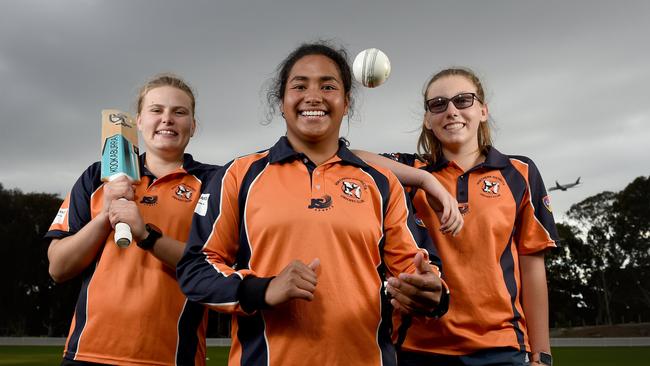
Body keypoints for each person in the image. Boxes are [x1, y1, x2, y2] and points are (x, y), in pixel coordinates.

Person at [176, 42, 455, 366]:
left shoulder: (382, 183)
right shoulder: (238, 176)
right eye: (300, 85)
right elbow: (196, 267)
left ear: (346, 102)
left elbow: (419, 270)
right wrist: (261, 289)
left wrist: (432, 292)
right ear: (281, 101)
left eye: (328, 86)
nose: (314, 95)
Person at [355, 67, 559, 365]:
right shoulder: (410, 173)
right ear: (428, 119)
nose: (451, 111)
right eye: (438, 104)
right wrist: (426, 180)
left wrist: (541, 354)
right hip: (420, 349)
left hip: (501, 348)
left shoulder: (520, 173)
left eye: (463, 100)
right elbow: (351, 157)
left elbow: (532, 268)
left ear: (483, 110)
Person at [45, 74, 219, 365]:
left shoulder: (215, 183)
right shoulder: (97, 178)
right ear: (138, 122)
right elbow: (58, 268)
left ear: (193, 125)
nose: (167, 119)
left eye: (179, 112)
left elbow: (213, 268)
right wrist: (104, 217)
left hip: (171, 357)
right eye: (156, 110)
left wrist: (147, 236)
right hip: (88, 353)